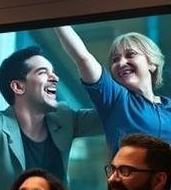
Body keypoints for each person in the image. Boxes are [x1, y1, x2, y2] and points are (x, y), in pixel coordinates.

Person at [0, 46, 102, 190]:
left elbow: (108, 117)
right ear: (18, 86)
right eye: (43, 72)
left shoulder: (64, 117)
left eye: (53, 71)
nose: (55, 78)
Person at [54, 25, 169, 155]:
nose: (121, 63)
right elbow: (83, 58)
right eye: (115, 59)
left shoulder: (168, 105)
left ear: (152, 64)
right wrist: (57, 18)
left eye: (130, 55)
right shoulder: (116, 99)